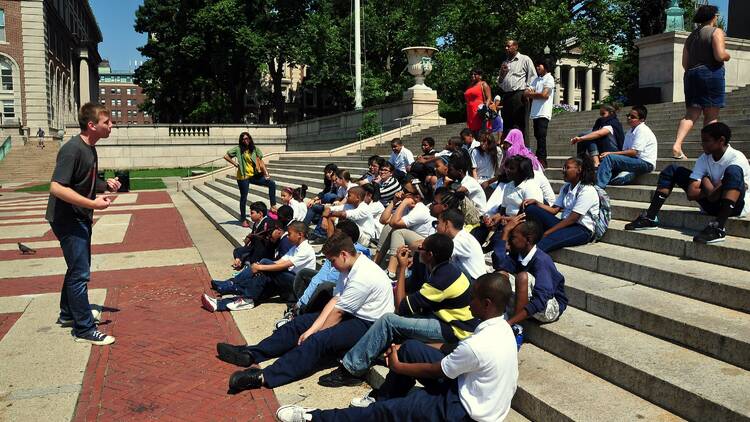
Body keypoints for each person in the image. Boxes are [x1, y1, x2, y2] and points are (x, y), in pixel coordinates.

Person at [275, 272, 518, 422]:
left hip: (461, 412)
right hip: (479, 397)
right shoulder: (502, 328)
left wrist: (398, 366)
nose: (469, 301)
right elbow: (454, 355)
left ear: (486, 304)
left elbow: (437, 370)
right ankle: (385, 395)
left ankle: (313, 417)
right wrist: (405, 352)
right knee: (411, 347)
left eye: (473, 297)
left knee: (386, 412)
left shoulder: (479, 344)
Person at [217, 231, 394, 392]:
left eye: (332, 261)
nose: (332, 266)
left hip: (369, 325)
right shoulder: (349, 266)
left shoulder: (363, 276)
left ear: (344, 254)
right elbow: (335, 301)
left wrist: (314, 334)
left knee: (318, 340)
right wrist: (310, 328)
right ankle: (253, 353)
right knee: (299, 324)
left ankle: (265, 376)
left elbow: (337, 313)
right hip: (352, 313)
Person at [318, 233, 479, 387]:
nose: (418, 248)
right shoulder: (445, 268)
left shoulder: (442, 279)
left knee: (389, 321)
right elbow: (410, 287)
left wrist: (401, 268)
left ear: (429, 255)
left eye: (421, 248)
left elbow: (402, 307)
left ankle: (351, 370)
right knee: (398, 324)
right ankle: (372, 352)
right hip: (448, 321)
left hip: (455, 330)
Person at [46, 103, 120, 345]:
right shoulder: (72, 150)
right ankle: (84, 329)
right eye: (106, 122)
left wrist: (104, 185)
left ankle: (69, 314)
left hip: (79, 217)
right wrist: (92, 205)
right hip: (68, 219)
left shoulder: (90, 148)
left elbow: (83, 180)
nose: (111, 126)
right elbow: (57, 187)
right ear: (92, 125)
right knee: (80, 273)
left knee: (75, 269)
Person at [626, 122, 749, 244]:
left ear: (721, 140)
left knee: (733, 171)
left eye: (706, 141)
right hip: (711, 205)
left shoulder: (737, 159)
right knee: (672, 170)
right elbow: (691, 193)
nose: (702, 144)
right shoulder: (703, 158)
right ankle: (650, 217)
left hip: (733, 208)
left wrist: (706, 181)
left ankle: (718, 228)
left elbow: (712, 195)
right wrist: (711, 184)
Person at [202, 221, 315, 312]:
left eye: (290, 234)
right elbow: (279, 262)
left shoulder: (306, 250)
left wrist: (260, 267)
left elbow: (284, 265)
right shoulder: (295, 248)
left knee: (264, 264)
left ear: (300, 235)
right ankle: (219, 304)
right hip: (287, 281)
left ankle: (232, 285)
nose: (288, 236)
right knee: (260, 285)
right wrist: (259, 267)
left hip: (297, 287)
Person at [672, 4, 731, 160]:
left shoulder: (691, 37)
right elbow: (719, 55)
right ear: (713, 17)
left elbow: (685, 64)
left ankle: (677, 144)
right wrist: (727, 55)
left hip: (691, 75)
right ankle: (709, 149)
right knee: (711, 115)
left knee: (691, 114)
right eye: (717, 15)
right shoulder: (716, 32)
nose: (717, 18)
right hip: (710, 73)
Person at [493, 216, 568, 325]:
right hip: (532, 299)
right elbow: (499, 264)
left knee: (522, 277)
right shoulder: (518, 254)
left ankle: (517, 326)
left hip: (549, 306)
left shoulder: (541, 261)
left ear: (528, 239)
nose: (508, 243)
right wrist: (505, 231)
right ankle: (503, 317)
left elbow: (541, 300)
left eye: (512, 237)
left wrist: (510, 323)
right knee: (501, 275)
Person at [522, 154, 600, 252]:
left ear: (579, 170)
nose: (563, 170)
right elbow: (554, 210)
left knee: (547, 239)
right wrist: (537, 203)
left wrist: (548, 232)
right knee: (531, 208)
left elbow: (573, 219)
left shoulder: (587, 190)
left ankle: (526, 260)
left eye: (567, 167)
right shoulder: (566, 187)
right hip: (565, 223)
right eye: (564, 167)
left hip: (581, 229)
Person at [375, 180, 436, 277]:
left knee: (398, 231)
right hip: (412, 241)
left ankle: (391, 271)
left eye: (405, 191)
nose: (401, 192)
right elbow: (383, 220)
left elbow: (394, 222)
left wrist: (403, 203)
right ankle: (375, 263)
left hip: (426, 244)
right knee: (388, 228)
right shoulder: (408, 206)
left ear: (417, 197)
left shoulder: (420, 209)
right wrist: (394, 202)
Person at [596, 105, 657, 189]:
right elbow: (625, 152)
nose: (629, 118)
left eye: (632, 117)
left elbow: (634, 152)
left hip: (646, 163)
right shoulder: (630, 132)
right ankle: (623, 176)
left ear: (642, 120)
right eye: (628, 115)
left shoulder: (642, 130)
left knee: (610, 158)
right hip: (634, 160)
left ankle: (599, 186)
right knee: (610, 163)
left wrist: (611, 154)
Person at [224, 132, 276, 227]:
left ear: (250, 139)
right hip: (243, 177)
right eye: (243, 139)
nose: (245, 140)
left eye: (247, 138)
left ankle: (273, 206)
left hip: (254, 175)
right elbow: (226, 156)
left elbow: (260, 161)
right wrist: (235, 164)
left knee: (272, 183)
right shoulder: (238, 149)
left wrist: (266, 174)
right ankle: (243, 219)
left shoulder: (254, 149)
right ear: (241, 140)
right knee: (244, 197)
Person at [499, 129, 555, 205]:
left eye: (509, 142)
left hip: (543, 202)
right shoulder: (530, 155)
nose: (508, 170)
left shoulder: (529, 182)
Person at [497, 39, 537, 141]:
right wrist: (502, 74)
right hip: (507, 95)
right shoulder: (505, 62)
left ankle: (522, 151)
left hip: (519, 94)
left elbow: (533, 77)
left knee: (519, 125)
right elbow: (500, 83)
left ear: (516, 47)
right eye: (505, 46)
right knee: (507, 125)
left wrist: (527, 91)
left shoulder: (525, 59)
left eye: (508, 46)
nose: (506, 48)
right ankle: (510, 150)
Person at [435, 209, 487, 281]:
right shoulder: (460, 237)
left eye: (437, 223)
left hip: (474, 283)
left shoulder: (462, 240)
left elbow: (435, 251)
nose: (436, 227)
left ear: (446, 224)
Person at [526, 58, 555, 167]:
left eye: (540, 65)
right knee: (537, 136)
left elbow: (545, 95)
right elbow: (526, 92)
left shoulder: (549, 79)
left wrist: (532, 94)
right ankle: (538, 157)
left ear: (545, 66)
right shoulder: (536, 80)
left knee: (541, 136)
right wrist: (534, 94)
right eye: (536, 65)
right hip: (535, 113)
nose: (537, 68)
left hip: (543, 112)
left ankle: (542, 159)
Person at [231, 201, 274, 270]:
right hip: (254, 248)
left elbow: (265, 242)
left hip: (263, 251)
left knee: (248, 255)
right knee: (237, 251)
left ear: (260, 214)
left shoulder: (267, 223)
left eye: (252, 213)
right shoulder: (256, 223)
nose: (250, 215)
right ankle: (239, 262)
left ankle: (248, 267)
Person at [464, 69, 493, 136]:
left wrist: (485, 108)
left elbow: (489, 98)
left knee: (482, 134)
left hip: (480, 112)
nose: (472, 75)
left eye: (475, 74)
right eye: (471, 74)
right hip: (470, 113)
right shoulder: (470, 86)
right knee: (473, 133)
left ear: (480, 76)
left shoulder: (483, 84)